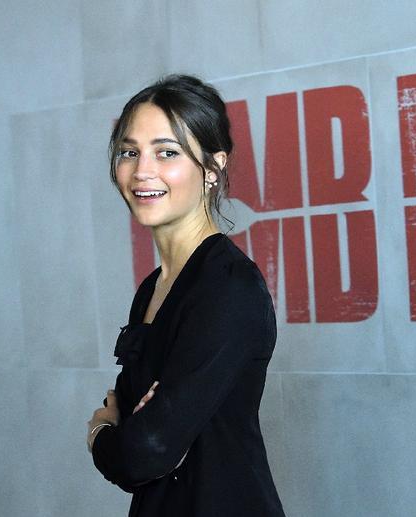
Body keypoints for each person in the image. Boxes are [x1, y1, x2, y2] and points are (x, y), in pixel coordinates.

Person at [86, 74, 286, 517]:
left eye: (167, 152)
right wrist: (137, 431)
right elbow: (139, 438)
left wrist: (101, 432)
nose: (142, 171)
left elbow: (143, 453)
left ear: (212, 168)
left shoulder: (228, 286)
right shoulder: (153, 287)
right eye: (129, 152)